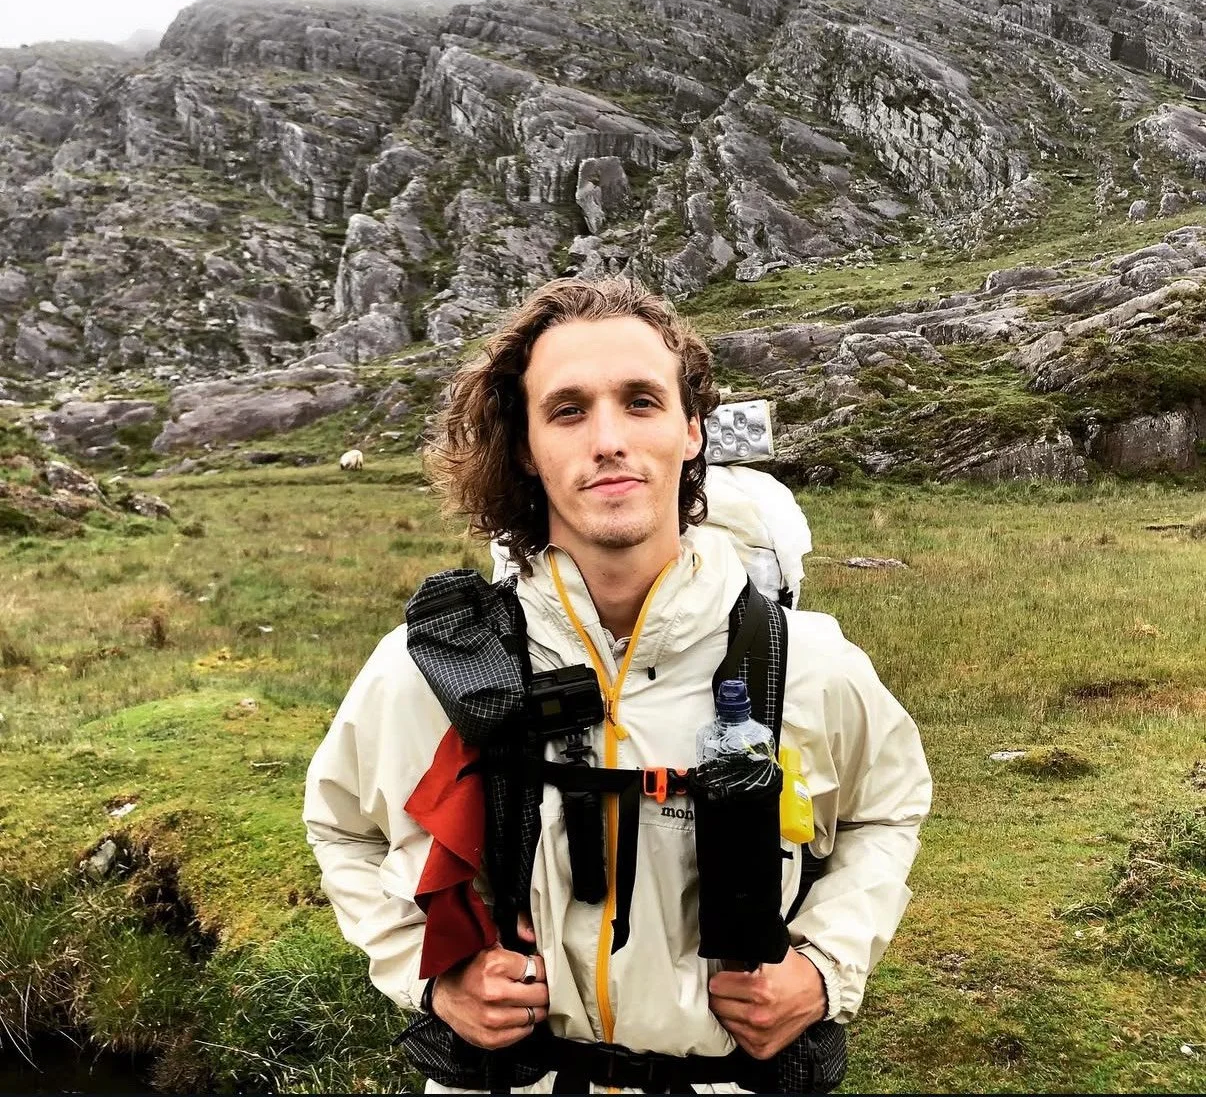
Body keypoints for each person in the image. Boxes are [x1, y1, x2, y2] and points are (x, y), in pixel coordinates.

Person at [303, 277, 932, 1094]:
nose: (607, 438)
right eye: (567, 410)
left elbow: (887, 810)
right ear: (526, 448)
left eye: (640, 402)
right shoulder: (433, 666)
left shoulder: (806, 663)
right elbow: (341, 826)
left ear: (691, 431)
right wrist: (432, 980)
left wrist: (821, 968)